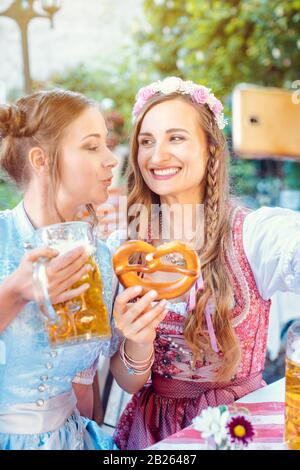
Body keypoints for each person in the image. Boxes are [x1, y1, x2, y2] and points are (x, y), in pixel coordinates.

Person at [107, 76, 300, 449]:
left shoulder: (251, 234)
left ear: (211, 149)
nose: (156, 155)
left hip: (240, 428)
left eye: (175, 138)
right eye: (146, 141)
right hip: (156, 434)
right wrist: (137, 342)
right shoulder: (129, 251)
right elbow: (128, 381)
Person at [0, 89, 122, 450]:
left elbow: (83, 384)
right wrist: (14, 294)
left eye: (107, 145)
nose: (111, 160)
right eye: (92, 146)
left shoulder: (100, 258)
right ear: (41, 159)